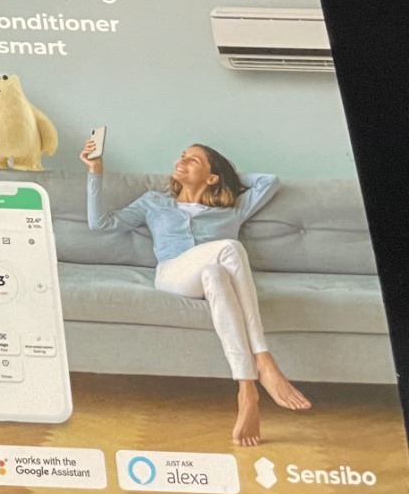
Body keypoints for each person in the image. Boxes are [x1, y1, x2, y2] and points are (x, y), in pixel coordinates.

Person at [81, 142, 310, 446]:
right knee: (230, 248)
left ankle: (247, 391)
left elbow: (269, 182)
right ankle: (264, 359)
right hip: (173, 275)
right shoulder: (154, 202)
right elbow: (100, 224)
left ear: (212, 177)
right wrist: (95, 171)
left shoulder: (232, 209)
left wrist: (226, 178)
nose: (182, 161)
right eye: (182, 156)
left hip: (211, 277)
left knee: (215, 273)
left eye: (194, 160)